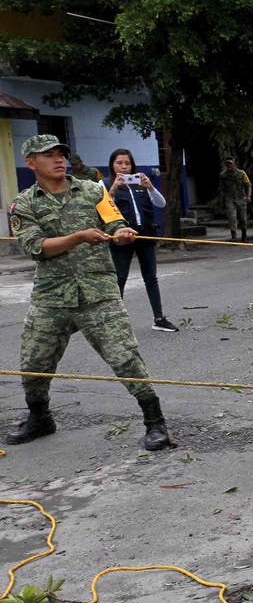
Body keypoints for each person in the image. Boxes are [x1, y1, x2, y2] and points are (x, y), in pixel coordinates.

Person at [5, 135, 173, 450]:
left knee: (125, 358)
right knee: (33, 362)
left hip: (99, 293)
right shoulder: (24, 203)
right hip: (51, 296)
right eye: (49, 155)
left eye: (61, 154)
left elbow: (115, 224)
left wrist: (122, 234)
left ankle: (155, 423)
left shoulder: (94, 191)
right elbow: (35, 247)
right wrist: (79, 236)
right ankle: (39, 418)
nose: (58, 159)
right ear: (30, 163)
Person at [105, 149, 178, 333]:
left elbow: (161, 203)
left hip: (145, 235)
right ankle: (115, 321)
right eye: (119, 163)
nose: (124, 167)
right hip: (122, 238)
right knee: (119, 278)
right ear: (112, 165)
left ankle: (159, 318)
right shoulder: (104, 183)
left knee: (151, 278)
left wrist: (150, 187)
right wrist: (113, 188)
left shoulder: (139, 182)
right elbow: (103, 207)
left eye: (127, 163)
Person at [218, 157, 252, 243]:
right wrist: (221, 201)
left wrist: (248, 196)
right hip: (230, 198)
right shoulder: (223, 175)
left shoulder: (242, 173)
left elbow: (248, 185)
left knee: (243, 218)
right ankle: (234, 236)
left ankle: (244, 236)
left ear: (234, 164)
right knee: (232, 217)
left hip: (241, 198)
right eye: (227, 164)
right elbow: (222, 189)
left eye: (230, 163)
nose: (229, 165)